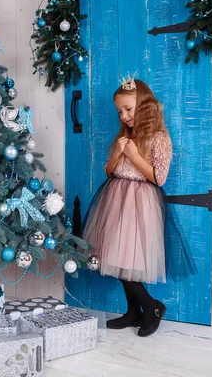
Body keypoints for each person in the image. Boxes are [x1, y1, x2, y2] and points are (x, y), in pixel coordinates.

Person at [82, 76, 173, 337]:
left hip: (140, 204)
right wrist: (116, 155)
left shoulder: (159, 137)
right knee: (118, 258)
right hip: (115, 200)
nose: (123, 115)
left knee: (127, 260)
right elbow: (110, 172)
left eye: (128, 109)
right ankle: (133, 312)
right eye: (120, 111)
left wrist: (133, 155)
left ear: (144, 106)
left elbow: (158, 177)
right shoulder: (124, 137)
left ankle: (152, 307)